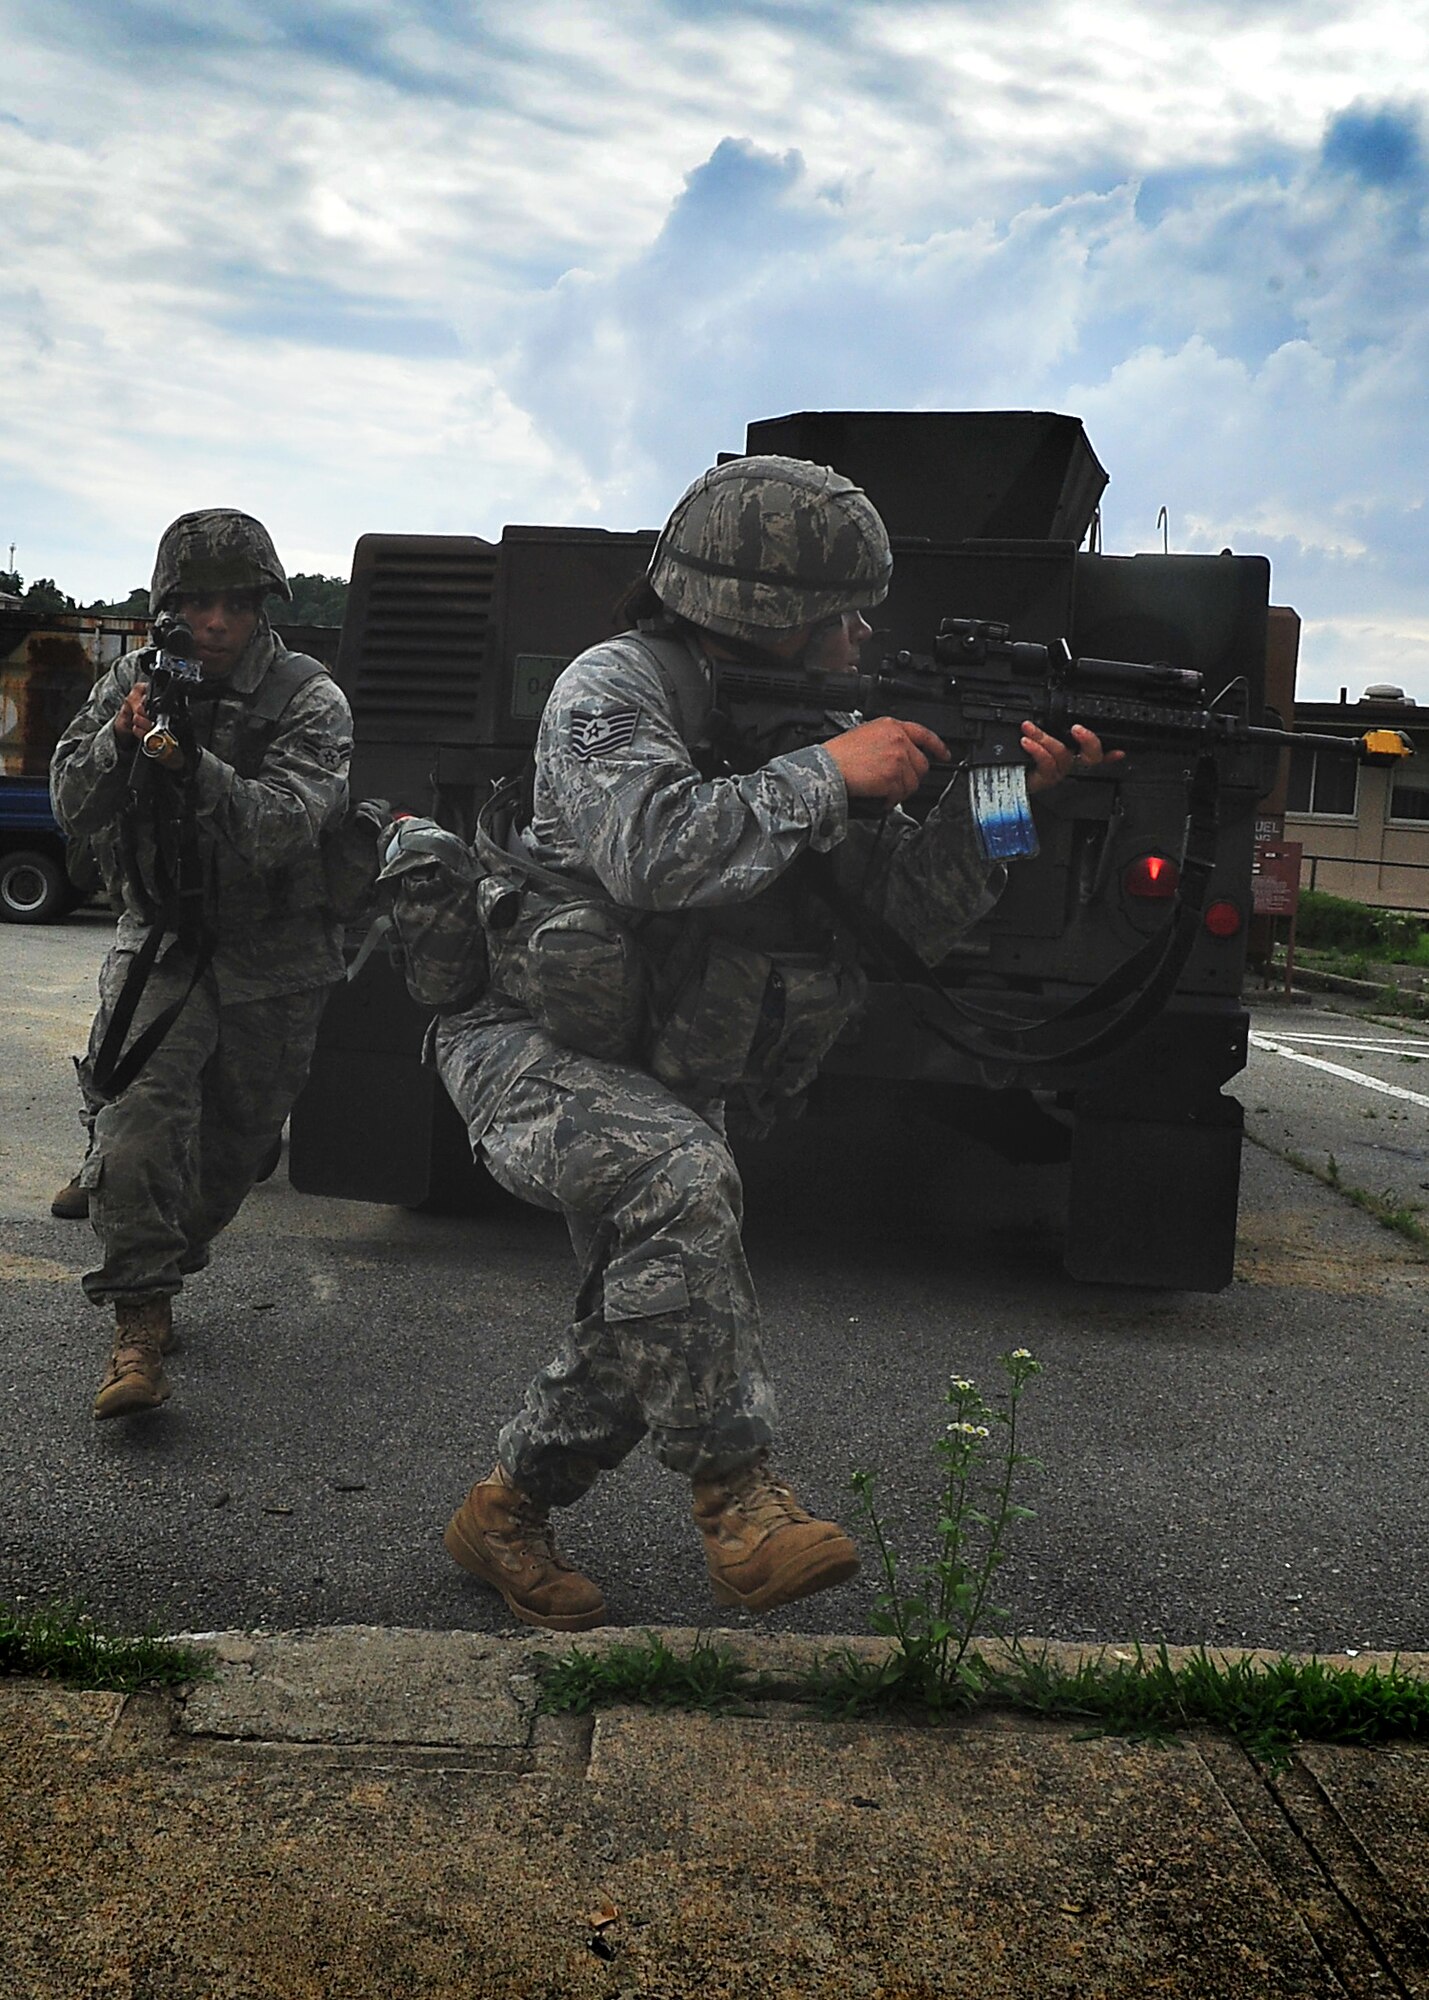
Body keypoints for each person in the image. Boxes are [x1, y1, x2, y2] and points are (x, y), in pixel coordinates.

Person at [435, 456, 1115, 1631]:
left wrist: (1010, 797)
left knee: (646, 1308)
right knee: (681, 1181)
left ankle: (502, 1512)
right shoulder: (615, 685)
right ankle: (739, 1502)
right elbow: (649, 849)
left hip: (675, 1057)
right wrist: (822, 776)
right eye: (838, 611)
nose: (861, 633)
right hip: (526, 1041)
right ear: (762, 610)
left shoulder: (822, 721)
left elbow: (902, 917)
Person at [50, 510, 354, 1419]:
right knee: (139, 1125)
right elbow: (70, 801)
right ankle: (137, 1325)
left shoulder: (309, 697)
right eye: (194, 604)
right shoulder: (133, 683)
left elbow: (285, 825)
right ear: (165, 609)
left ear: (263, 610)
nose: (214, 622)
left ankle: (167, 1256)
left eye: (233, 604)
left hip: (278, 955)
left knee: (233, 1155)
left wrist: (191, 768)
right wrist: (123, 737)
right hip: (165, 944)